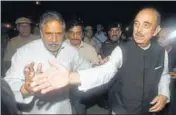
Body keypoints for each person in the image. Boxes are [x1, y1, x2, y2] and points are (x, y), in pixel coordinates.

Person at [30, 7, 170, 114]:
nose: (138, 30)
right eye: (136, 24)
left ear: (156, 30)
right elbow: (104, 72)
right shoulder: (122, 50)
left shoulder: (161, 52)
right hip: (121, 111)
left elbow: (163, 75)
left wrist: (164, 94)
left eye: (146, 25)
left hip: (149, 111)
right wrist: (70, 77)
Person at [4, 11, 92, 114]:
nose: (54, 40)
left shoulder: (70, 51)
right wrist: (25, 88)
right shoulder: (24, 53)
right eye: (49, 34)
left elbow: (85, 67)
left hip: (64, 110)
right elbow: (8, 84)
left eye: (58, 34)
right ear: (41, 33)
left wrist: (99, 64)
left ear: (64, 33)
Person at [157, 27, 176, 114]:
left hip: (173, 94)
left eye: (163, 38)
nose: (160, 40)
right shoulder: (154, 52)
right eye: (159, 37)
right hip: (156, 93)